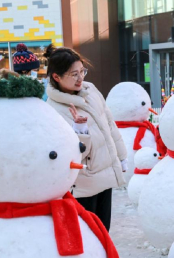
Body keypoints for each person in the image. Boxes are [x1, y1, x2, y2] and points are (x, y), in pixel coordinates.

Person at [44, 44, 127, 231]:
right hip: (83, 184)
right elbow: (71, 156)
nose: (80, 78)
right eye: (74, 74)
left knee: (104, 232)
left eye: (82, 71)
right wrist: (80, 129)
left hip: (104, 176)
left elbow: (109, 125)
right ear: (56, 77)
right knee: (90, 236)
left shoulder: (91, 90)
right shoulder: (53, 109)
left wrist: (121, 157)